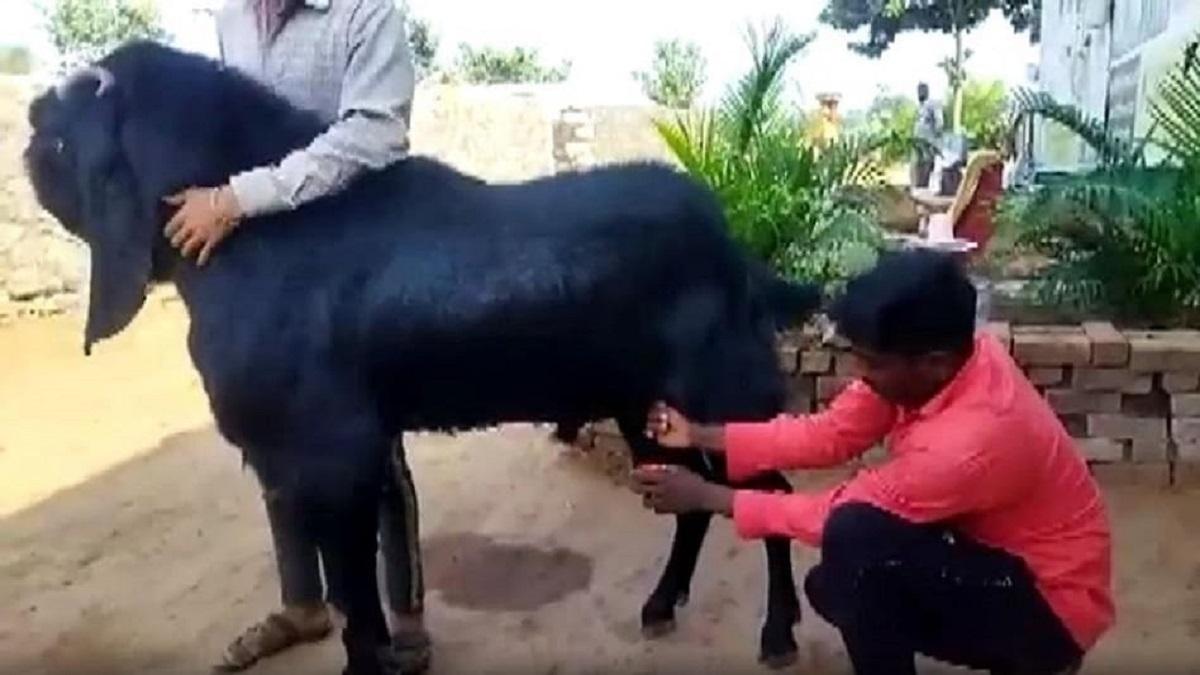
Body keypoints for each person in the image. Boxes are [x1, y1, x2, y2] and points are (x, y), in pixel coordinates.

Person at [633, 250, 1114, 675]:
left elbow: (838, 515)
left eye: (872, 363)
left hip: (1053, 607)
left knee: (856, 550)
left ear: (934, 362)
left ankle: (1036, 659)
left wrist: (705, 494)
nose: (861, 375)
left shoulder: (969, 442)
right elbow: (830, 433)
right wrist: (700, 435)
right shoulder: (943, 364)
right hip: (999, 558)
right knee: (840, 581)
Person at [160, 1, 429, 671]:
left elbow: (376, 133)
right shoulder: (232, 19)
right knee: (269, 431)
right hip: (258, 262)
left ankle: (407, 616)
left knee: (369, 441)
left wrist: (235, 198)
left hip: (352, 255)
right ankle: (302, 603)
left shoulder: (366, 14)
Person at [912, 81, 941, 190]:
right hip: (918, 142)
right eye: (918, 91)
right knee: (918, 166)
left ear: (927, 92)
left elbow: (939, 123)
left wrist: (935, 139)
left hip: (928, 142)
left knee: (927, 165)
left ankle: (924, 187)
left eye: (922, 90)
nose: (919, 93)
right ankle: (919, 186)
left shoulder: (932, 104)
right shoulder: (920, 107)